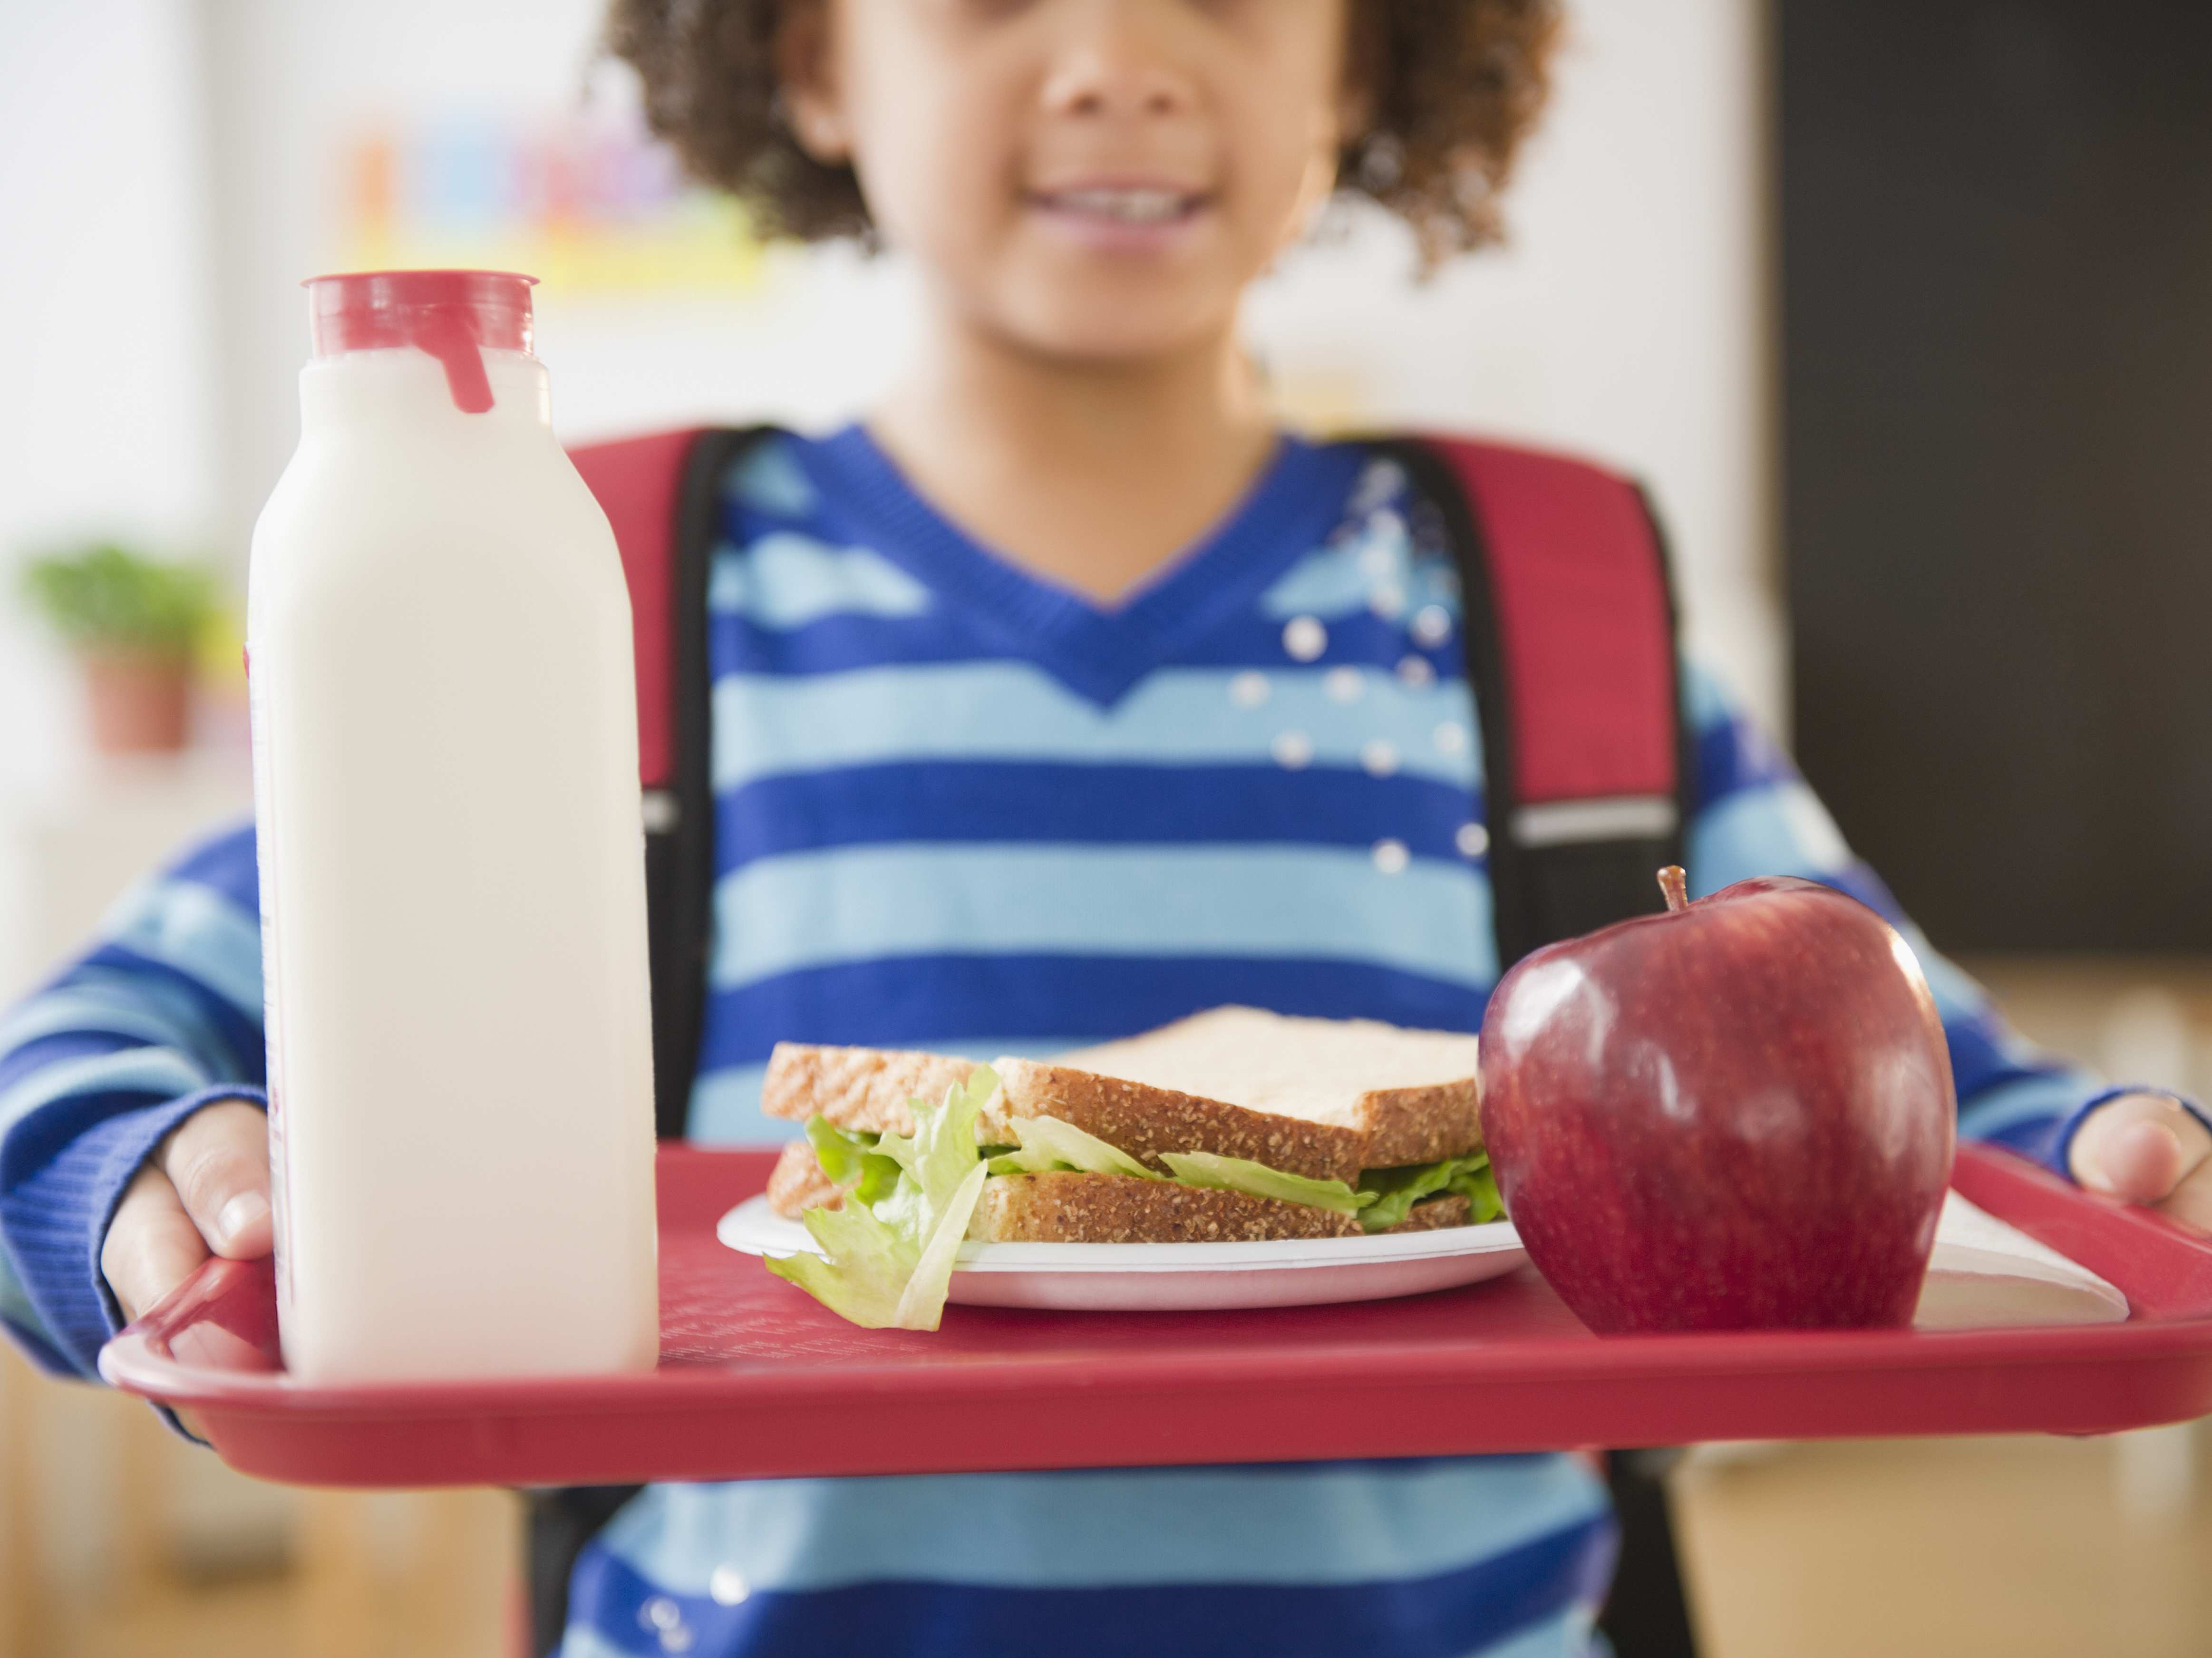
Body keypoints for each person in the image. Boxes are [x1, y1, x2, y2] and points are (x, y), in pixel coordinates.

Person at [7, 1, 2212, 1654]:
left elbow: (1935, 1091)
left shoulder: (1550, 601)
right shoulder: (578, 583)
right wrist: (152, 1190)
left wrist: (2109, 1147)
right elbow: (89, 1043)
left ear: (1366, 63)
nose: (1117, 60)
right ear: (801, 62)